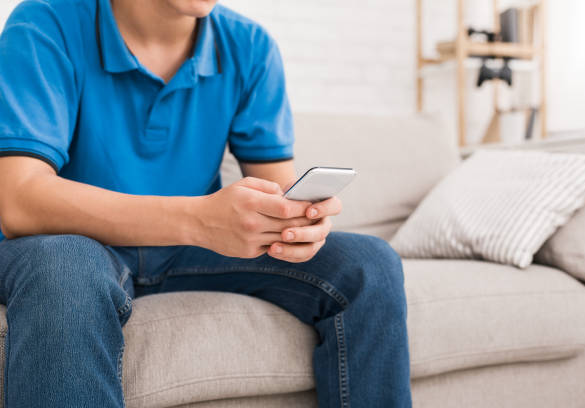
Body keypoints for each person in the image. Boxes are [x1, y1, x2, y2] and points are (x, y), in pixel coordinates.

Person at [0, 0, 412, 406]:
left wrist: (297, 223)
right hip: (72, 249)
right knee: (64, 264)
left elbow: (276, 191)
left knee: (369, 263)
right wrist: (198, 219)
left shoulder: (249, 44)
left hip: (190, 253)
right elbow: (19, 202)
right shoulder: (45, 22)